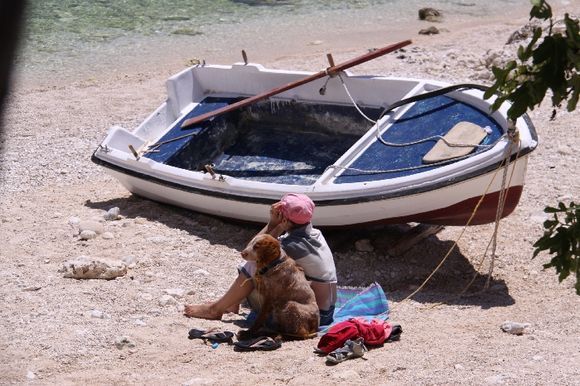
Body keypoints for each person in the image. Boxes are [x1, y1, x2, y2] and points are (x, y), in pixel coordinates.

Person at [184, 193, 337, 326]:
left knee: (251, 265)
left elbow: (249, 250)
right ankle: (230, 304)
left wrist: (272, 223)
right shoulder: (314, 234)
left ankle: (215, 309)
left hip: (309, 316)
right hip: (324, 311)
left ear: (284, 218)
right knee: (257, 264)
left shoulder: (293, 245)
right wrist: (280, 226)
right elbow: (264, 243)